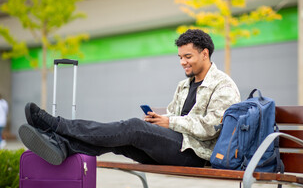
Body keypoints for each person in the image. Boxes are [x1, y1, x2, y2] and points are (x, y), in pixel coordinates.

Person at [18, 29, 241, 166]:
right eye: (180, 57)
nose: (182, 62)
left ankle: (56, 126)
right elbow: (173, 118)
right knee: (122, 141)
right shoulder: (184, 85)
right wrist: (159, 120)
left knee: (132, 128)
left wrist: (169, 121)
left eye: (188, 56)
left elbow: (212, 127)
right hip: (175, 145)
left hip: (196, 154)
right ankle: (62, 145)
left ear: (205, 53)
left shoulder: (223, 85)